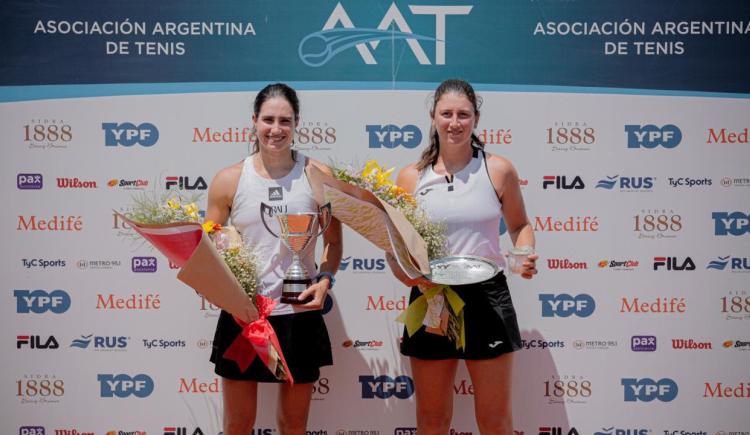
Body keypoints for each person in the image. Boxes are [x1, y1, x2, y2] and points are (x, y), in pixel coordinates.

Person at [385, 79, 538, 435]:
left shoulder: (498, 169)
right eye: (447, 114)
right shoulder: (410, 177)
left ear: (476, 119)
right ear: (433, 117)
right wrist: (403, 271)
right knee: (432, 420)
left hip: (487, 298)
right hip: (431, 297)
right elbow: (394, 244)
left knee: (494, 420)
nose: (455, 122)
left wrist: (523, 254)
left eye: (463, 114)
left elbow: (519, 225)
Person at [206, 83, 343, 435]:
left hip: (298, 314)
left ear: (297, 123)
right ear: (254, 121)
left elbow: (333, 241)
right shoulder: (228, 180)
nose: (276, 129)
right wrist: (219, 291)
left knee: (293, 424)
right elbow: (208, 248)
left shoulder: (319, 175)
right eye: (268, 119)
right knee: (237, 424)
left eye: (285, 120)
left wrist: (325, 280)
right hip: (245, 316)